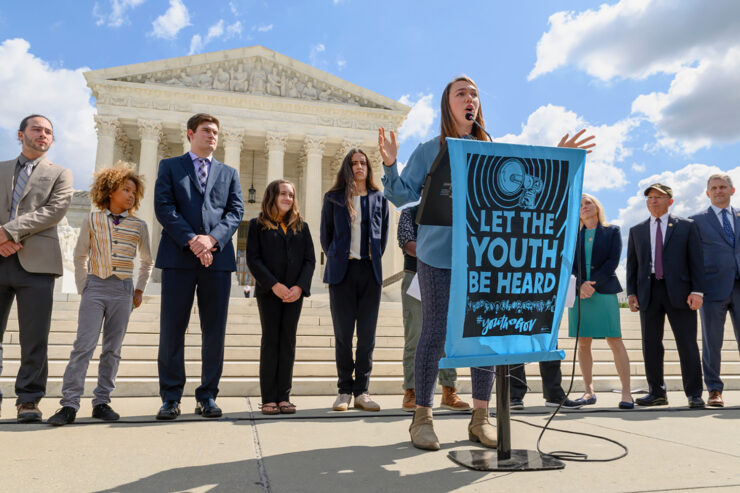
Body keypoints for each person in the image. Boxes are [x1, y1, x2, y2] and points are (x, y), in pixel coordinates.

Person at [379, 75, 594, 450]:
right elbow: (401, 196)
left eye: (474, 94)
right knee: (433, 333)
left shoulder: (492, 150)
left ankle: (481, 418)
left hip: (484, 258)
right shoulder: (431, 149)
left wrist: (558, 160)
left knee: (485, 338)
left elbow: (528, 186)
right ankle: (423, 418)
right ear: (448, 104)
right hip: (439, 255)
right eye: (461, 93)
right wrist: (391, 164)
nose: (470, 99)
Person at [154, 113, 244, 420]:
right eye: (206, 130)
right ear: (191, 133)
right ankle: (170, 397)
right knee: (172, 330)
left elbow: (235, 212)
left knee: (214, 331)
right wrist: (193, 240)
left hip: (217, 261)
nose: (212, 135)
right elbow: (164, 207)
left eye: (216, 131)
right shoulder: (170, 166)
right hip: (179, 258)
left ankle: (208, 395)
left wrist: (212, 241)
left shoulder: (229, 172)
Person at [48, 163, 153, 425]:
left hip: (123, 290)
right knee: (83, 346)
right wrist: (84, 287)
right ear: (110, 191)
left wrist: (139, 288)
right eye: (125, 190)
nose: (131, 195)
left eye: (133, 192)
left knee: (112, 350)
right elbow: (80, 254)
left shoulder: (139, 226)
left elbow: (147, 260)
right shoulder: (92, 219)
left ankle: (102, 401)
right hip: (95, 286)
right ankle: (69, 404)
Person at [0, 114, 74, 422]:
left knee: (35, 338)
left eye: (48, 132)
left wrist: (8, 232)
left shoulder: (60, 173)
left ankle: (28, 400)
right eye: (37, 129)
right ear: (21, 134)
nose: (43, 134)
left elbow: (54, 210)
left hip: (38, 265)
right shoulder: (1, 169)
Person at [320, 148, 389, 412]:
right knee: (343, 335)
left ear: (369, 168)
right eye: (354, 163)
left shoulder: (378, 198)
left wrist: (369, 257)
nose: (359, 166)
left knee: (367, 336)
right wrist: (339, 256)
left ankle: (362, 390)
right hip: (342, 273)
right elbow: (326, 237)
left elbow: (381, 238)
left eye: (363, 163)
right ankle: (344, 391)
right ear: (347, 168)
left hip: (370, 273)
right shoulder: (333, 198)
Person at [626, 183, 705, 408]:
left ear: (670, 201)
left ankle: (694, 393)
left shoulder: (687, 226)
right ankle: (657, 392)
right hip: (648, 292)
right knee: (651, 344)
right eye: (649, 197)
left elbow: (696, 261)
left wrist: (697, 291)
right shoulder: (637, 230)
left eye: (658, 197)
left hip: (681, 293)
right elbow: (633, 265)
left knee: (687, 344)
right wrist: (631, 292)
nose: (653, 201)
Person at [247, 179, 315, 415]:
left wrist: (299, 287)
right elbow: (253, 259)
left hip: (294, 295)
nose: (287, 198)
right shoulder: (257, 225)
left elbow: (309, 260)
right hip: (269, 292)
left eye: (291, 195)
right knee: (271, 341)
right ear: (272, 197)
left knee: (288, 342)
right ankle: (268, 398)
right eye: (283, 194)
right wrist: (274, 284)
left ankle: (284, 397)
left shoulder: (301, 227)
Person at [397, 205, 469, 411]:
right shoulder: (410, 210)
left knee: (447, 337)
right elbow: (405, 241)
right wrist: (432, 254)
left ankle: (449, 390)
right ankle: (411, 391)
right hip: (416, 275)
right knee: (415, 336)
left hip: (446, 277)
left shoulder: (450, 209)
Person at [568, 193, 632, 409]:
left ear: (597, 207)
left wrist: (590, 284)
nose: (585, 206)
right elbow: (569, 264)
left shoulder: (612, 231)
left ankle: (626, 393)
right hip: (579, 294)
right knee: (583, 342)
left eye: (589, 203)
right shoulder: (571, 235)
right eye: (581, 205)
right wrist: (580, 286)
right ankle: (588, 392)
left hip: (603, 291)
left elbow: (612, 261)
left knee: (614, 339)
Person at [690, 174, 740, 407]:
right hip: (711, 289)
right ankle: (714, 390)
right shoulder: (696, 221)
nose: (718, 191)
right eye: (714, 188)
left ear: (732, 190)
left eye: (723, 187)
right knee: (712, 342)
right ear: (707, 193)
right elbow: (692, 258)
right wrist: (696, 289)